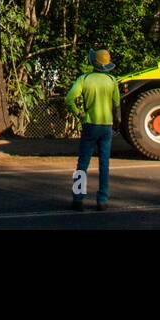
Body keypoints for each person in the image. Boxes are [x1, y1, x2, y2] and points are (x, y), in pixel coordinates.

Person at [65, 48, 120, 211]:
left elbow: (69, 99)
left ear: (94, 63)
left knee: (82, 163)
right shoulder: (112, 80)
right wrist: (116, 122)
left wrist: (80, 114)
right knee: (104, 164)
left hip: (90, 124)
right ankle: (102, 200)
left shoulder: (85, 79)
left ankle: (78, 198)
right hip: (106, 127)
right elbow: (116, 105)